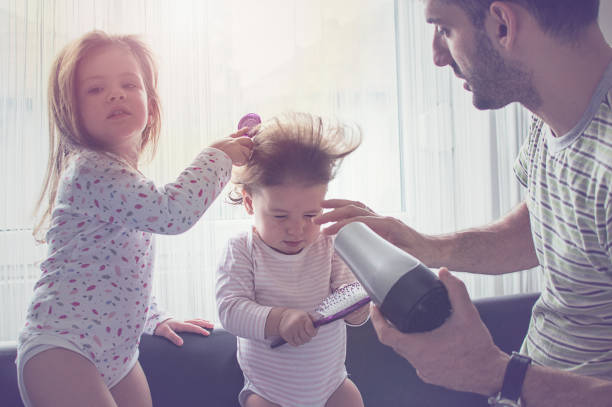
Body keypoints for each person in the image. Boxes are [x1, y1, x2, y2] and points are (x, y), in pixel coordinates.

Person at [314, 0, 612, 406]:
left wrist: (495, 373)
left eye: (444, 30)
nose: (437, 56)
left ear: (503, 24)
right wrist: (424, 246)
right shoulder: (554, 116)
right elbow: (549, 225)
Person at [17, 30, 253, 407]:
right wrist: (218, 155)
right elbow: (173, 213)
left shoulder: (125, 176)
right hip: (62, 347)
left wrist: (153, 316)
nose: (115, 94)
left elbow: (121, 266)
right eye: (95, 89)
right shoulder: (89, 170)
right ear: (70, 110)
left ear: (151, 104)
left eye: (129, 84)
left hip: (117, 355)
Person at [215, 113, 369, 407]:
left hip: (332, 387)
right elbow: (230, 310)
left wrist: (360, 307)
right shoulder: (242, 249)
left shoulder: (329, 243)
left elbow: (352, 296)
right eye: (280, 216)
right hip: (269, 394)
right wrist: (280, 319)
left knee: (352, 398)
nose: (297, 228)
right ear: (249, 202)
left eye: (311, 215)